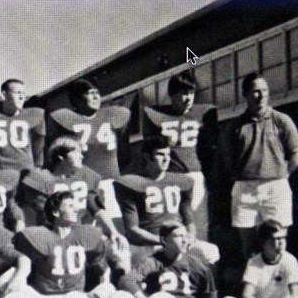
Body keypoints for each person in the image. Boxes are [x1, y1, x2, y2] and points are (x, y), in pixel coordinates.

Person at [7, 191, 123, 298]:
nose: (76, 209)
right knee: (19, 288)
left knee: (108, 287)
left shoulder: (87, 234)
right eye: (69, 206)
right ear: (56, 212)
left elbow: (102, 269)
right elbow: (16, 256)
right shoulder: (38, 235)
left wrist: (104, 286)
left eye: (75, 205)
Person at [220, 73, 298, 258]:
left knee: (277, 243)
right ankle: (255, 284)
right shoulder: (235, 126)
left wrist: (283, 174)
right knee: (249, 248)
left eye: (264, 90)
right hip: (245, 189)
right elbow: (227, 158)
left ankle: (279, 285)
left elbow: (295, 153)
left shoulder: (282, 120)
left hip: (276, 187)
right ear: (246, 95)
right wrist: (239, 177)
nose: (261, 95)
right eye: (256, 91)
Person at [139, 72, 217, 239]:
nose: (188, 98)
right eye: (183, 93)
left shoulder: (204, 114)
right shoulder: (155, 115)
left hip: (193, 175)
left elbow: (209, 148)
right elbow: (150, 149)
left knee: (199, 224)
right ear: (172, 95)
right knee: (171, 223)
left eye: (191, 93)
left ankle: (198, 263)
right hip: (170, 177)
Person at [46, 78, 131, 219]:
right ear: (77, 98)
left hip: (109, 181)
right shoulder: (64, 119)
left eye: (97, 93)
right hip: (80, 183)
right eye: (90, 93)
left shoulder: (113, 115)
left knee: (113, 224)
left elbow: (125, 152)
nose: (96, 97)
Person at [17, 136, 120, 241]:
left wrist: (113, 232)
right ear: (61, 156)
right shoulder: (42, 178)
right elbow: (44, 218)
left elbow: (96, 208)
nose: (81, 157)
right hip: (51, 235)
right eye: (76, 152)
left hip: (78, 233)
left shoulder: (86, 176)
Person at [113, 136, 197, 260]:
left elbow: (189, 220)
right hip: (149, 243)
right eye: (160, 154)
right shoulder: (131, 183)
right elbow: (132, 229)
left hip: (178, 240)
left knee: (211, 251)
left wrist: (190, 238)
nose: (166, 159)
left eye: (168, 154)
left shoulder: (182, 181)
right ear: (147, 157)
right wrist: (164, 241)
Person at [118, 221, 219, 298]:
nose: (185, 240)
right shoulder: (151, 262)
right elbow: (126, 280)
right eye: (179, 236)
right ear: (164, 240)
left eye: (186, 236)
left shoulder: (197, 264)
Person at [222, 220, 298, 298]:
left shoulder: (290, 260)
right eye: (275, 239)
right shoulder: (254, 262)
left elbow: (295, 295)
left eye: (283, 238)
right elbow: (246, 295)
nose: (281, 242)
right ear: (264, 243)